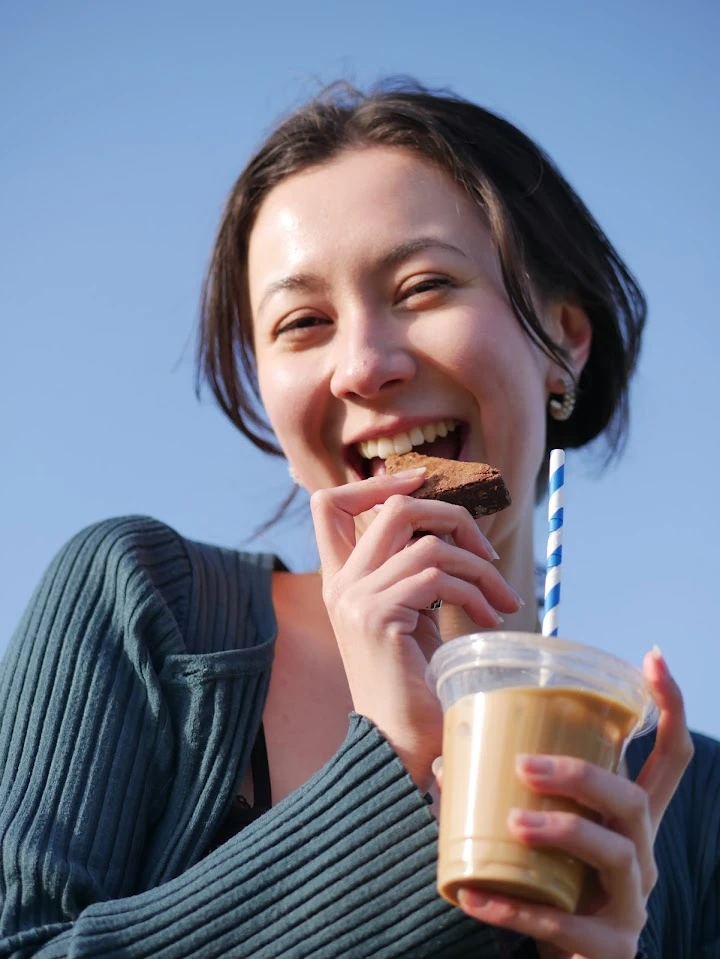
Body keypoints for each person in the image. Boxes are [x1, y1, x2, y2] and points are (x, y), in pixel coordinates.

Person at [0, 80, 716, 959]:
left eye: (423, 286)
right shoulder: (145, 605)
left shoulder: (694, 802)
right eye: (303, 322)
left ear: (564, 340)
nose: (365, 365)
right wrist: (391, 759)